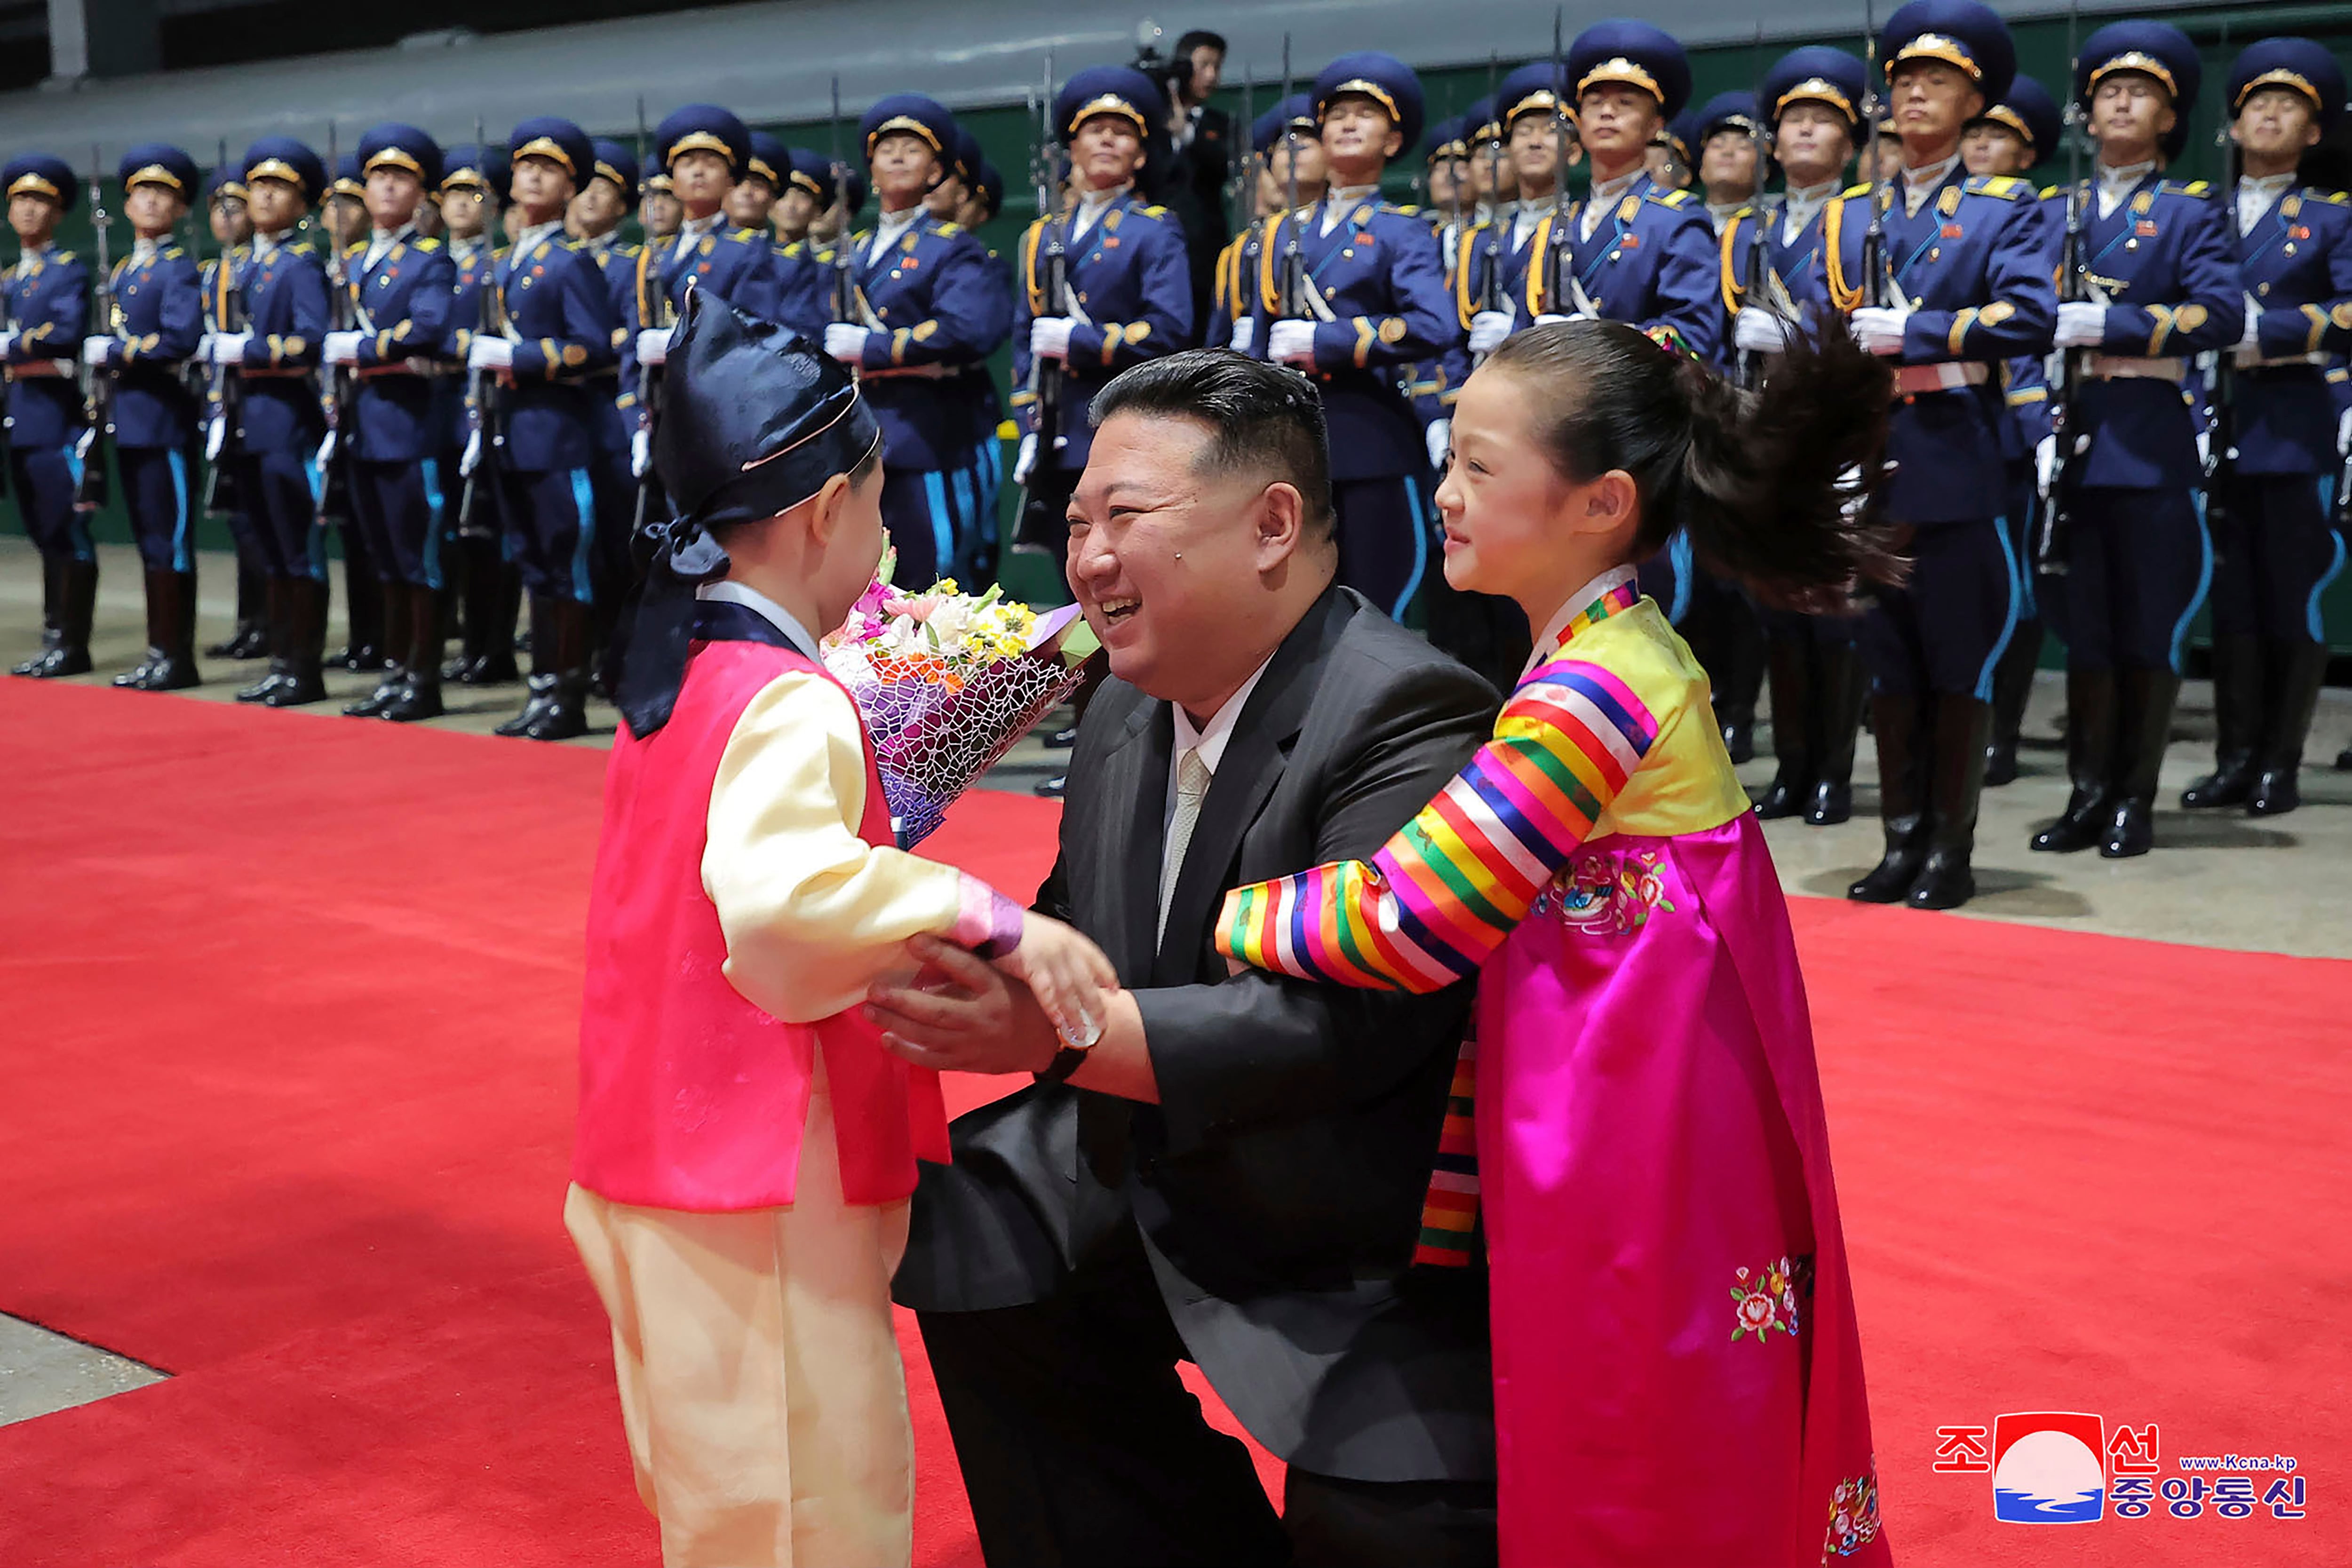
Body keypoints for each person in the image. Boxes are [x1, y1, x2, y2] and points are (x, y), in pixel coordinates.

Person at [1217, 317, 1894, 1568]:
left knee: (1636, 1409)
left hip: (1643, 1147)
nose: (1445, 494)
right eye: (1450, 459)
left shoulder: (1595, 688)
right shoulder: (1606, 651)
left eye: (1479, 465)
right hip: (1666, 1117)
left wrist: (1223, 906)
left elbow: (1409, 915)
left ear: (1602, 501)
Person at [879, 350, 1502, 1568]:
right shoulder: (1120, 699)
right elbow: (1084, 930)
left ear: (1273, 524)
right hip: (1147, 1152)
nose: (1089, 557)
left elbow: (1339, 1032)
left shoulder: (1412, 713)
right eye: (1075, 522)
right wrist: (943, 952)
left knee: (1385, 1530)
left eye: (1126, 516)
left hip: (1344, 1209)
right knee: (968, 1235)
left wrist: (1058, 1028)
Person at [573, 291, 1108, 1568]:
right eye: (878, 504)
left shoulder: (688, 667)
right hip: (758, 1152)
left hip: (657, 1134)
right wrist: (985, 912)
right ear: (825, 511)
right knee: (809, 1491)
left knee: (721, 1488)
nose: (887, 532)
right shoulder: (788, 697)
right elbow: (778, 903)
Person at [1827, 0, 2054, 908]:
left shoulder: (2006, 207)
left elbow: (2029, 316)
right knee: (1888, 659)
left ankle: (1949, 851)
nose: (1917, 95)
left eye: (1941, 83)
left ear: (1975, 104)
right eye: (1905, 81)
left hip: (1957, 450)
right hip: (1872, 454)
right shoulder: (1853, 213)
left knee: (1957, 658)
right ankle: (1900, 838)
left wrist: (1919, 329)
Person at [2032, 22, 2237, 859]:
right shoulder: (2053, 210)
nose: (2119, 101)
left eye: (2140, 92)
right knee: (2083, 631)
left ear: (2168, 117)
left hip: (2145, 438)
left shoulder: (2191, 211)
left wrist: (2115, 322)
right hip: (2067, 435)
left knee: (2144, 629)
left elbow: (2222, 313)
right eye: (2107, 91)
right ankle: (2087, 790)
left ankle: (2132, 798)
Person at [2180, 39, 2352, 817]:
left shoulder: (2329, 218)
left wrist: (2272, 332)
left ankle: (2280, 762)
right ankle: (2234, 757)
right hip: (2205, 424)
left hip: (2290, 422)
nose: (2270, 116)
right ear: (2232, 126)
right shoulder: (2194, 213)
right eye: (2255, 105)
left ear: (2313, 133)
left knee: (2291, 600)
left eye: (2290, 108)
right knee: (2233, 606)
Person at [1249, 53, 1456, 623]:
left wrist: (1329, 341)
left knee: (1374, 601)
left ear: (1391, 142)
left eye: (1364, 115)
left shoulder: (1400, 230)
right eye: (1335, 114)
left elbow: (1435, 324)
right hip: (1288, 442)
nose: (1345, 123)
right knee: (1291, 605)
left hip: (1369, 440)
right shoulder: (1278, 236)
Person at [1724, 45, 1874, 826]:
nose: (1806, 133)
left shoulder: (1868, 219)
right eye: (1793, 123)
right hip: (1763, 439)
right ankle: (1792, 767)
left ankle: (1834, 774)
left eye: (1824, 121)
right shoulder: (1748, 228)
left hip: (1834, 439)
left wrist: (1796, 334)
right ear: (1773, 145)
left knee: (1832, 612)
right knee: (1776, 612)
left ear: (1849, 143)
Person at [461, 117, 622, 741]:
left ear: (571, 187)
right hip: (513, 434)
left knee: (568, 565)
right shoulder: (504, 262)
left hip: (559, 438)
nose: (532, 175)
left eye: (549, 169)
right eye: (525, 166)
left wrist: (522, 359)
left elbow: (592, 347)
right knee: (533, 564)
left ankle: (567, 694)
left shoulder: (568, 263)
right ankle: (541, 687)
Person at [1010, 66, 1193, 570]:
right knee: (1070, 568)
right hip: (1058, 429)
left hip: (1126, 422)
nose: (1108, 139)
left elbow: (1169, 331)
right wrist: (1028, 428)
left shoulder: (1153, 232)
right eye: (1094, 130)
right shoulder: (1040, 237)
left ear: (1139, 153)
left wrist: (1082, 340)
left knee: (1126, 564)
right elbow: (1023, 345)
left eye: (1123, 132)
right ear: (1072, 147)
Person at [821, 94, 1005, 589]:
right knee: (866, 581)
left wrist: (872, 350)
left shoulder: (950, 247)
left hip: (925, 436)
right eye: (887, 149)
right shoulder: (851, 251)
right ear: (871, 171)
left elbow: (965, 329)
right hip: (858, 439)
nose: (898, 156)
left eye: (913, 148)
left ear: (935, 172)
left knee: (933, 574)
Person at [324, 124, 455, 723]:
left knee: (417, 557)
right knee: (383, 558)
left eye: (400, 178)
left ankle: (422, 679)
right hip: (362, 425)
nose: (386, 187)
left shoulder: (427, 260)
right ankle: (395, 671)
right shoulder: (350, 262)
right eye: (377, 177)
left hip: (407, 425)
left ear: (420, 193)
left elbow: (427, 328)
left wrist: (365, 347)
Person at [1961, 76, 2064, 787]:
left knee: (2013, 585)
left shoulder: (2038, 214)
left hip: (2015, 424)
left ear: (2026, 154)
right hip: (1960, 419)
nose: (1982, 148)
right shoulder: (1936, 218)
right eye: (1977, 134)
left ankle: (2002, 730)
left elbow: (2031, 327)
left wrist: (2039, 419)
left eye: (1998, 137)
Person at [210, 137, 333, 708]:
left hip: (288, 423)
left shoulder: (299, 263)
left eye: (278, 187)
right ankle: (281, 661)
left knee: (297, 547)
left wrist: (250, 351)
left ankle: (303, 668)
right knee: (270, 550)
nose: (263, 195)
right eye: (257, 185)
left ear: (302, 203)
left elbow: (310, 341)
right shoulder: (244, 266)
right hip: (249, 423)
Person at [83, 144, 205, 691]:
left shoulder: (177, 269)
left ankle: (176, 656)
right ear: (127, 204)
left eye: (165, 194)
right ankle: (158, 650)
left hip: (163, 421)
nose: (152, 201)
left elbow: (180, 339)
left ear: (180, 209)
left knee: (170, 540)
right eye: (141, 192)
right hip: (131, 421)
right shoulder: (129, 269)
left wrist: (120, 351)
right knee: (148, 539)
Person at [4, 153, 94, 679]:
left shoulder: (66, 273)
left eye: (41, 201)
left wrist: (13, 346)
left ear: (59, 213)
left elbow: (64, 335)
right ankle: (52, 635)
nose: (29, 210)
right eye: (20, 200)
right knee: (42, 533)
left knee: (67, 532)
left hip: (56, 420)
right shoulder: (12, 278)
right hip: (21, 420)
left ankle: (71, 642)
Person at [435, 143, 521, 688]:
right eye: (454, 194)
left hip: (489, 414)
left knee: (493, 536)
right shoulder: (432, 263)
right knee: (457, 538)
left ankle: (496, 647)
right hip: (441, 414)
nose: (463, 205)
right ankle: (470, 643)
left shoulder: (501, 266)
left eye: (476, 194)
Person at [200, 164, 269, 663]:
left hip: (260, 403)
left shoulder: (257, 268)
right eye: (218, 209)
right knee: (241, 524)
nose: (227, 218)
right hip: (223, 408)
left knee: (266, 526)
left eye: (236, 206)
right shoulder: (211, 272)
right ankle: (250, 622)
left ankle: (271, 625)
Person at [1159, 28, 1233, 332]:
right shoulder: (1152, 122)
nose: (1212, 75)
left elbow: (1222, 164)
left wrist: (1187, 134)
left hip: (1205, 247)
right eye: (1204, 65)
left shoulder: (1221, 124)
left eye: (1217, 67)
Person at [1692, 89, 1764, 235]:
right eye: (1717, 145)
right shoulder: (1682, 224)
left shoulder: (1770, 231)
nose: (1728, 152)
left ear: (1765, 170)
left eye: (1743, 146)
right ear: (1702, 167)